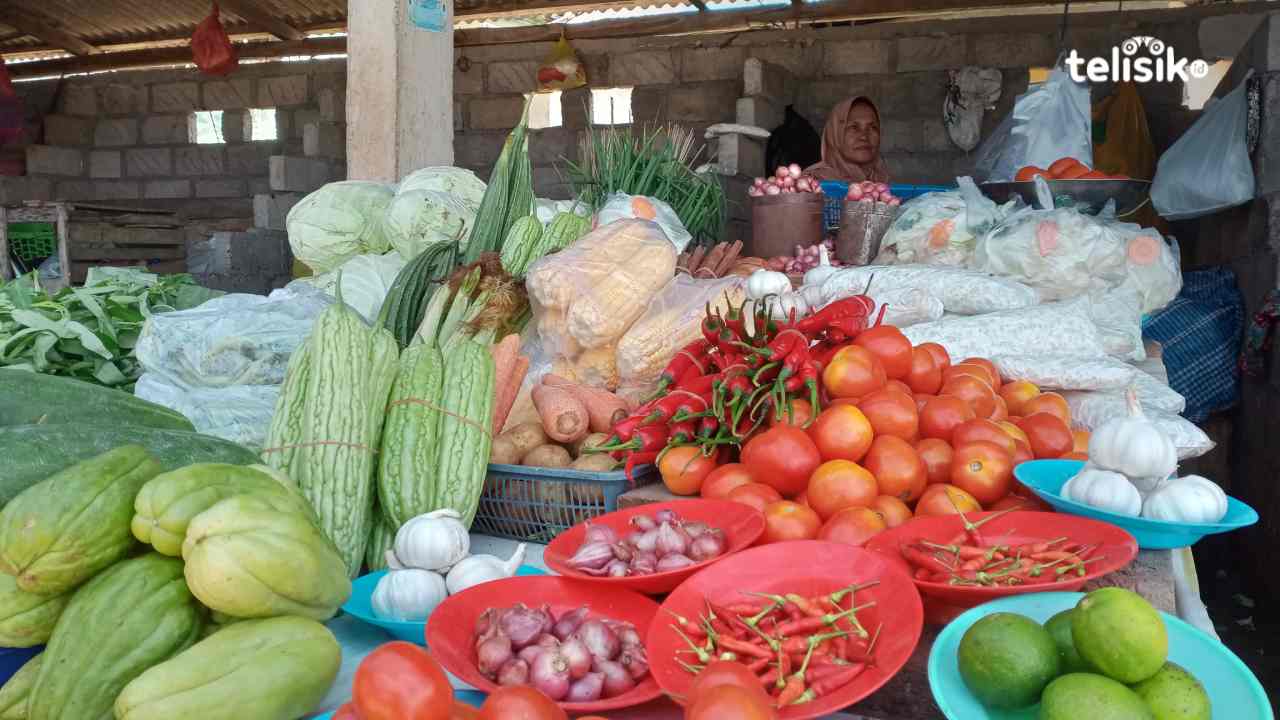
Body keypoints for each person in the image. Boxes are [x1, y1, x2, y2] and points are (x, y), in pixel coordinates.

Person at [805, 97, 890, 184]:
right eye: (854, 127)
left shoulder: (880, 178)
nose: (864, 137)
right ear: (835, 133)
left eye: (873, 127)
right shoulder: (812, 183)